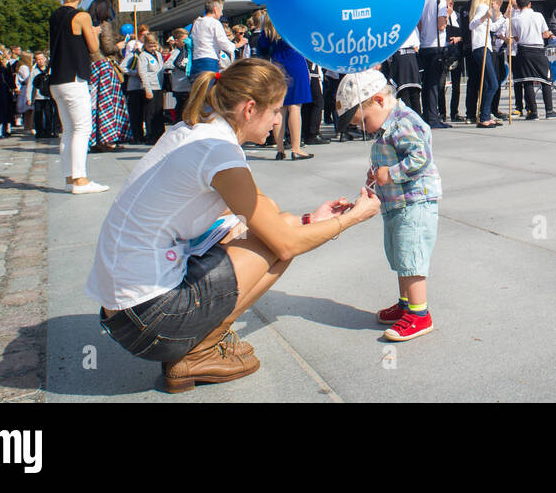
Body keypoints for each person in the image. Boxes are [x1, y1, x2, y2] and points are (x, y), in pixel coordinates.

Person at [87, 58, 382, 391]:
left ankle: (197, 342)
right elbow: (285, 243)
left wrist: (311, 220)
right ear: (250, 108)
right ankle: (197, 352)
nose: (277, 120)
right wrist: (351, 218)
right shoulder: (219, 153)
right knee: (279, 246)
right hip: (150, 322)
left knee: (280, 225)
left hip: (125, 313)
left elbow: (266, 210)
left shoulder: (197, 130)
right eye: (274, 111)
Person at [335, 69, 440, 342]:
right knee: (399, 254)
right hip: (396, 203)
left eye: (363, 121)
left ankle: (420, 314)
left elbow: (421, 157)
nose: (363, 128)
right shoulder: (385, 125)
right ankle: (406, 304)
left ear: (379, 101)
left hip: (415, 202)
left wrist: (390, 174)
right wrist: (376, 174)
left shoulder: (406, 121)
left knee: (411, 256)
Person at [49, 0, 108, 193]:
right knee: (82, 129)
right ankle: (80, 179)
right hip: (74, 77)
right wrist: (93, 32)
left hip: (57, 79)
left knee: (68, 131)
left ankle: (69, 178)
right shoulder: (81, 16)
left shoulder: (55, 15)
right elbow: (93, 48)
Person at [255, 11, 313, 160]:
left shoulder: (268, 29)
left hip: (277, 65)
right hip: (296, 63)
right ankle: (296, 148)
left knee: (280, 109)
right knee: (295, 107)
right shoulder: (290, 22)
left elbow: (261, 50)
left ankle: (280, 150)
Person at [510, 0, 556, 119]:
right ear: (529, 4)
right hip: (537, 49)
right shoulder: (538, 15)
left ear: (519, 6)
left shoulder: (514, 19)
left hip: (523, 50)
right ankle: (549, 110)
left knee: (527, 80)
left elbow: (516, 37)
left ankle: (533, 112)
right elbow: (545, 34)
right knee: (546, 80)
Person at [416, 0, 452, 130]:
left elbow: (419, 23)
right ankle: (433, 117)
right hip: (436, 46)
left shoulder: (423, 0)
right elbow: (441, 25)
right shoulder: (441, 1)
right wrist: (448, 14)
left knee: (426, 83)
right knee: (434, 84)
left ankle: (427, 114)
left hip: (424, 45)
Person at [466, 0, 503, 127]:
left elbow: (491, 28)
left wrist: (503, 17)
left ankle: (485, 114)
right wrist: (484, 16)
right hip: (481, 46)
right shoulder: (481, 7)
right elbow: (472, 24)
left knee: (489, 82)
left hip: (483, 46)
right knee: (492, 83)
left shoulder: (481, 8)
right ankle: (484, 116)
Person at [190, 0, 235, 75]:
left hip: (196, 60)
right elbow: (223, 42)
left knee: (199, 85)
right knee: (210, 85)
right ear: (215, 9)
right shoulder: (215, 23)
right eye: (221, 10)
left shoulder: (196, 23)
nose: (221, 14)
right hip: (210, 60)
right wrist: (236, 45)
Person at [441, 0, 465, 122]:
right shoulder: (441, 17)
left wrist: (459, 38)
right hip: (443, 52)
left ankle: (454, 112)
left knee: (456, 84)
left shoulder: (458, 16)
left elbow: (465, 33)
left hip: (456, 52)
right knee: (441, 84)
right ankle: (442, 112)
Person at [14, 52, 35, 135]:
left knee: (29, 110)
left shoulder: (26, 67)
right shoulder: (23, 68)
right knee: (29, 109)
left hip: (26, 88)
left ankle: (28, 127)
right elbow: (27, 79)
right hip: (26, 88)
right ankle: (29, 127)